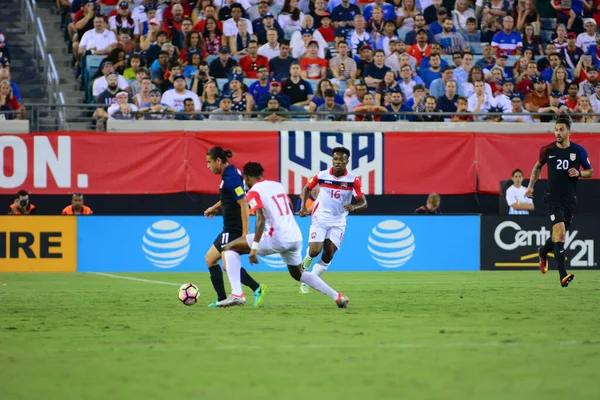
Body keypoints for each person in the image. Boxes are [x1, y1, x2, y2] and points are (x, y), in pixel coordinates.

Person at [217, 162, 349, 308]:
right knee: (298, 274)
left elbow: (260, 218)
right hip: (294, 236)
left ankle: (237, 294)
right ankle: (337, 297)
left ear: (246, 177)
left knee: (229, 248)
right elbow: (290, 207)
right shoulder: (277, 185)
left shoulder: (253, 192)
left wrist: (254, 248)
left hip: (277, 237)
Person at [525, 118, 594, 287]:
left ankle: (542, 252)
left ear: (568, 132)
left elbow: (590, 172)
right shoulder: (547, 150)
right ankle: (563, 276)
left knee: (558, 236)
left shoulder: (578, 151)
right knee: (560, 233)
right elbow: (538, 167)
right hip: (552, 198)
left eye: (561, 129)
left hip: (569, 200)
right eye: (556, 129)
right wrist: (530, 186)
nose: (558, 133)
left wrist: (578, 173)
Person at [297, 147, 368, 294]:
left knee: (329, 253)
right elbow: (306, 188)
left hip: (339, 220)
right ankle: (308, 258)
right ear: (332, 160)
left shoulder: (353, 180)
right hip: (320, 216)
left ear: (347, 161)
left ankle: (309, 281)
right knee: (315, 250)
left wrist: (354, 207)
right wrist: (303, 207)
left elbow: (363, 202)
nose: (338, 162)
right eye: (335, 159)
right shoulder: (321, 175)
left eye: (341, 160)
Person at [203, 147, 268, 307]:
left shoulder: (231, 176)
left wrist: (245, 233)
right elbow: (232, 196)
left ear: (218, 161)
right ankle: (221, 299)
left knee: (226, 265)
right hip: (229, 227)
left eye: (209, 162)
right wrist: (216, 207)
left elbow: (244, 203)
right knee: (210, 259)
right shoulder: (231, 172)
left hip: (233, 227)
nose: (208, 166)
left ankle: (255, 288)